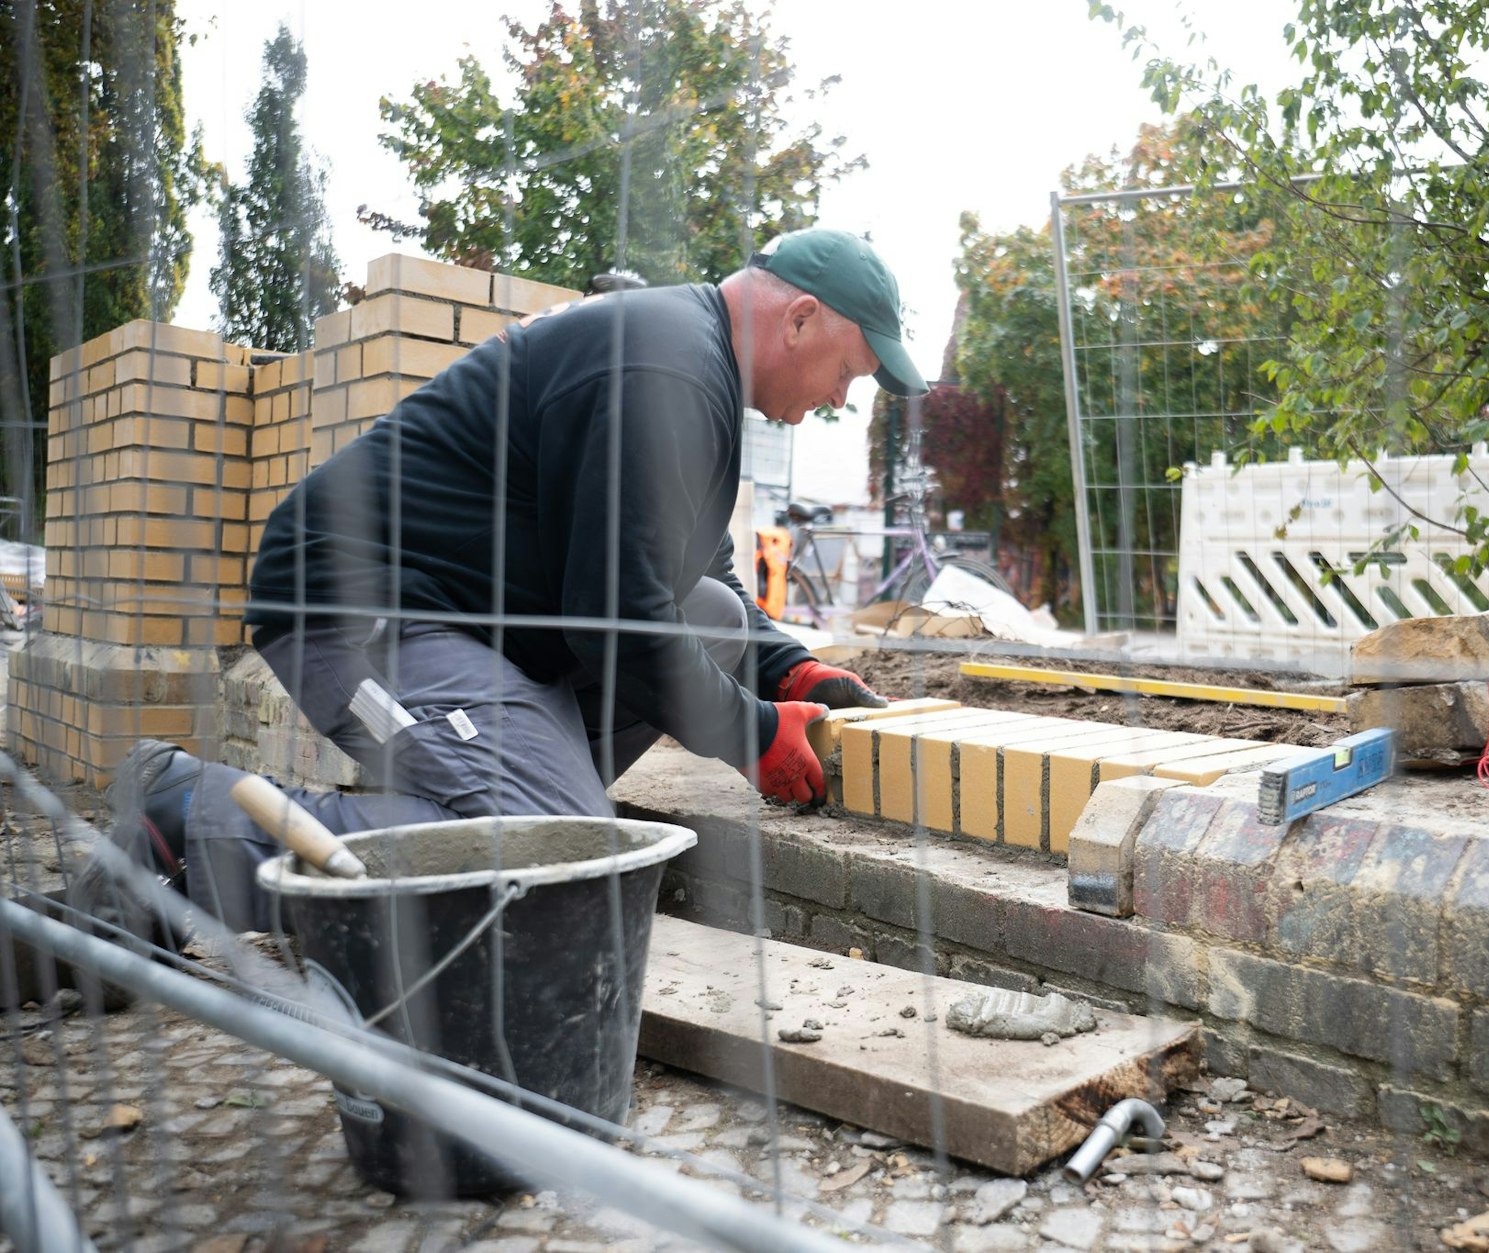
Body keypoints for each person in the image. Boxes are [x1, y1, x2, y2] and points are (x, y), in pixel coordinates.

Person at [77, 228, 925, 936]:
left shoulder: (693, 367)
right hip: (360, 616)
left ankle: (492, 793)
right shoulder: (668, 366)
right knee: (553, 854)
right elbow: (614, 617)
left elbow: (694, 577)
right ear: (802, 319)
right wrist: (751, 732)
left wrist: (787, 669)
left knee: (713, 622)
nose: (839, 397)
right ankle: (190, 816)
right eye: (848, 372)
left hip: (468, 629)